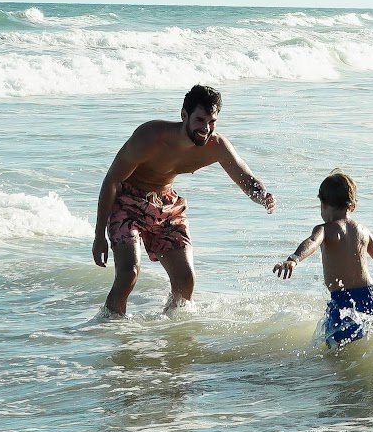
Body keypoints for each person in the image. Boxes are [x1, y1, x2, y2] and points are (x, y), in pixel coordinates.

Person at [91, 82, 275, 316]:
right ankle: (111, 329)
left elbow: (245, 177)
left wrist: (263, 195)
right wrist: (99, 236)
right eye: (200, 120)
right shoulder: (150, 137)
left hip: (166, 205)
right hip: (127, 202)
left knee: (186, 280)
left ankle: (170, 332)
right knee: (129, 274)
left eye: (212, 122)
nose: (206, 129)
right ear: (184, 115)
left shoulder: (215, 146)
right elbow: (112, 181)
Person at [271, 168, 373, 345]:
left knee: (335, 349)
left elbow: (312, 242)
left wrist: (294, 259)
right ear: (352, 206)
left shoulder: (325, 229)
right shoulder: (363, 231)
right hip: (370, 294)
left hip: (343, 300)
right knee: (366, 340)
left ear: (323, 203)